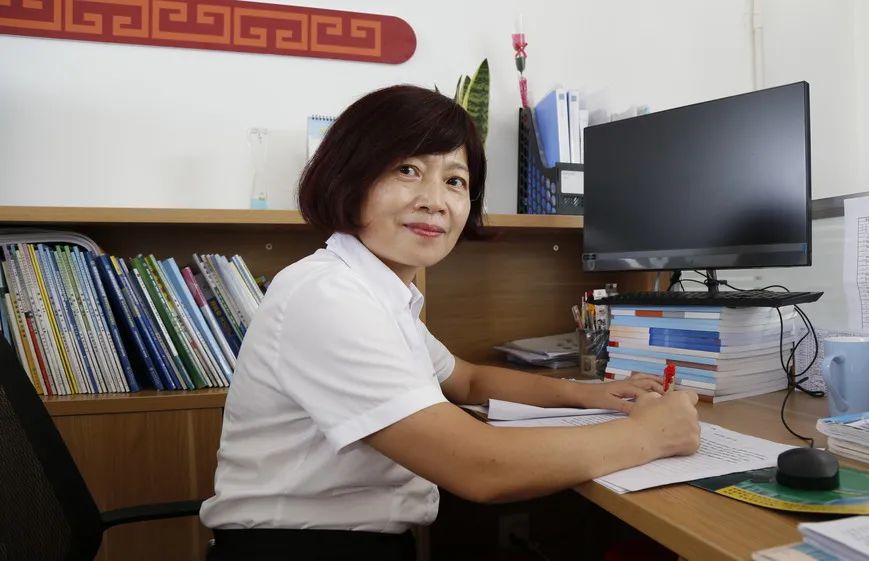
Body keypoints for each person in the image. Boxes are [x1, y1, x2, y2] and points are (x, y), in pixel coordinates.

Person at [200, 84, 701, 561]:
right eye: (407, 170)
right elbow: (479, 467)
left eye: (455, 181)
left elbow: (467, 379)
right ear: (349, 179)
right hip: (299, 550)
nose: (435, 200)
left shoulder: (380, 293)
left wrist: (589, 395)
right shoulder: (328, 295)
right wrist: (651, 435)